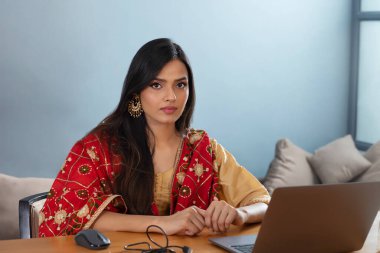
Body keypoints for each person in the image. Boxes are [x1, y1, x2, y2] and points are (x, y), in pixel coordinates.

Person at [38, 38, 270, 237]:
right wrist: (164, 224)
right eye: (157, 85)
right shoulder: (98, 148)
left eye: (180, 85)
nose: (171, 96)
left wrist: (239, 214)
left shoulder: (203, 150)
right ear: (137, 92)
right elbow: (66, 215)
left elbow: (264, 203)